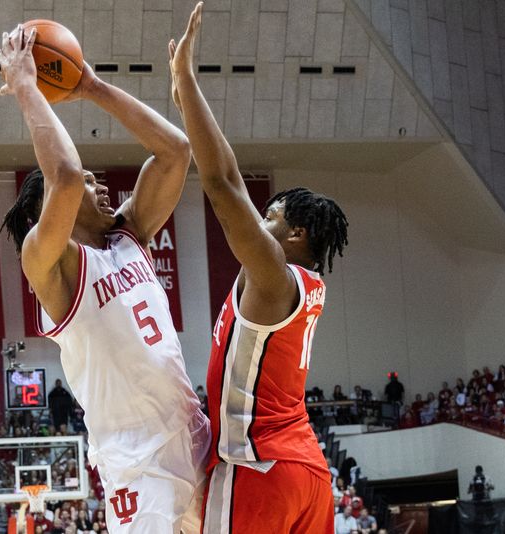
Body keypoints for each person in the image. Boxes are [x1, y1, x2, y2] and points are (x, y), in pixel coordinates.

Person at [0, 24, 208, 533]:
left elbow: (176, 151)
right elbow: (66, 176)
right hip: (137, 462)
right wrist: (27, 85)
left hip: (195, 434)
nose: (101, 184)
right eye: (95, 183)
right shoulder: (49, 263)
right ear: (52, 211)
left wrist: (92, 86)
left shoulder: (129, 234)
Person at [169, 4, 348, 533]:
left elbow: (223, 185)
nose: (258, 218)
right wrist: (187, 100)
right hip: (308, 472)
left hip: (259, 463)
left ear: (297, 235)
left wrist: (187, 80)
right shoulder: (304, 285)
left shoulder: (273, 275)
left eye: (270, 216)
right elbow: (231, 178)